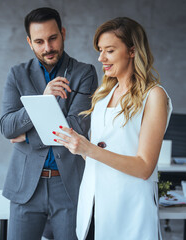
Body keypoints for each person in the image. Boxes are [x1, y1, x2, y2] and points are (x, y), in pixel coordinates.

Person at [53, 17, 172, 240]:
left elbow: (145, 167)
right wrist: (78, 148)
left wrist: (89, 149)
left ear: (132, 51)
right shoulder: (102, 97)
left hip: (129, 209)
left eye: (109, 50)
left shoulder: (154, 96)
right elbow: (97, 156)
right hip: (93, 206)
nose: (101, 58)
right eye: (100, 50)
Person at [0, 7, 98, 240]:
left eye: (53, 38)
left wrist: (26, 136)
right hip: (26, 185)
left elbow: (75, 129)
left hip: (69, 186)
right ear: (29, 42)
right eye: (39, 41)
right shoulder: (16, 74)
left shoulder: (85, 73)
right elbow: (7, 127)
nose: (48, 48)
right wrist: (43, 101)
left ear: (63, 33)